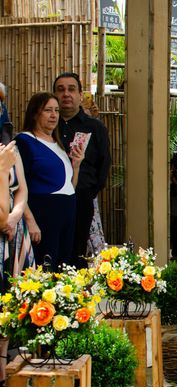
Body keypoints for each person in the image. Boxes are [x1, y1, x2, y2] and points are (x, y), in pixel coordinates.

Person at [14, 92, 84, 270]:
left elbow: (70, 187)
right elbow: (17, 186)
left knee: (63, 268)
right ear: (35, 113)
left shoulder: (59, 143)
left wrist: (76, 166)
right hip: (43, 212)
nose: (54, 115)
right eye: (48, 110)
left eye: (57, 110)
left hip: (67, 212)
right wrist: (30, 220)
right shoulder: (24, 141)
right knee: (43, 268)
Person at [53, 72, 112, 268]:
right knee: (54, 250)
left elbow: (104, 164)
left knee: (78, 253)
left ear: (80, 95)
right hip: (52, 199)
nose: (66, 94)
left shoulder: (95, 127)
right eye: (61, 90)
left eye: (71, 89)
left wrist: (90, 191)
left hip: (82, 198)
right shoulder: (48, 127)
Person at [0, 140, 34, 292]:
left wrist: (15, 216)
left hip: (14, 222)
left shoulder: (10, 147)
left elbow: (22, 189)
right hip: (3, 215)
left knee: (19, 288)